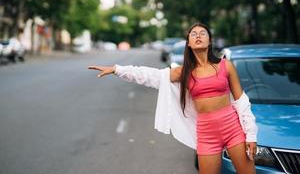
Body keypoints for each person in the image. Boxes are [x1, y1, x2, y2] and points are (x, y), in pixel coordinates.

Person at [88, 22, 258, 174]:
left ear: (210, 41)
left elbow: (241, 100)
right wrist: (117, 69)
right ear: (189, 44)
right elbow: (150, 75)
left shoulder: (225, 65)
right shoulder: (184, 72)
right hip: (206, 134)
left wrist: (251, 134)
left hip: (232, 128)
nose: (198, 36)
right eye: (193, 34)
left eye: (202, 33)